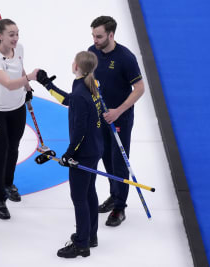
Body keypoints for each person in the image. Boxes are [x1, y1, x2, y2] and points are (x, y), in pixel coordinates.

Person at [36, 51, 103, 258]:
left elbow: (80, 129)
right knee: (89, 191)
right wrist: (47, 84)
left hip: (84, 152)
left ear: (76, 66)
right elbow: (68, 100)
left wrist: (69, 154)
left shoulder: (82, 93)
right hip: (95, 148)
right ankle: (91, 235)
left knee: (79, 198)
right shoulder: (89, 86)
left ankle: (82, 243)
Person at [88, 16, 145, 226]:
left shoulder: (125, 58)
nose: (95, 39)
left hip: (120, 117)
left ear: (111, 35)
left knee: (119, 161)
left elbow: (140, 89)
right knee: (106, 157)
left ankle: (120, 207)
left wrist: (118, 111)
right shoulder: (92, 51)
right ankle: (115, 193)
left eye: (99, 36)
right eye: (93, 35)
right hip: (100, 116)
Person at [0, 18, 38, 220]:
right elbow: (7, 83)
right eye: (11, 34)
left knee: (13, 148)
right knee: (1, 153)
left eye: (17, 34)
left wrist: (27, 88)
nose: (16, 38)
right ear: (0, 36)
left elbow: (20, 69)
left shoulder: (19, 49)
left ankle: (8, 183)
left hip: (17, 108)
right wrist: (30, 78)